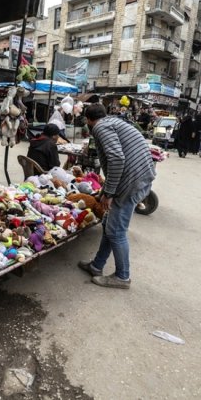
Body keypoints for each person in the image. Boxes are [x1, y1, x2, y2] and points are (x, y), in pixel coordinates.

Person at [77, 103, 155, 289]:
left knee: (117, 231)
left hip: (131, 182)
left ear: (89, 119)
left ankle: (122, 277)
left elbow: (117, 158)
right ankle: (97, 265)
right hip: (138, 178)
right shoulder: (113, 122)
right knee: (109, 226)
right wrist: (105, 191)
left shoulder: (101, 127)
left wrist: (110, 192)